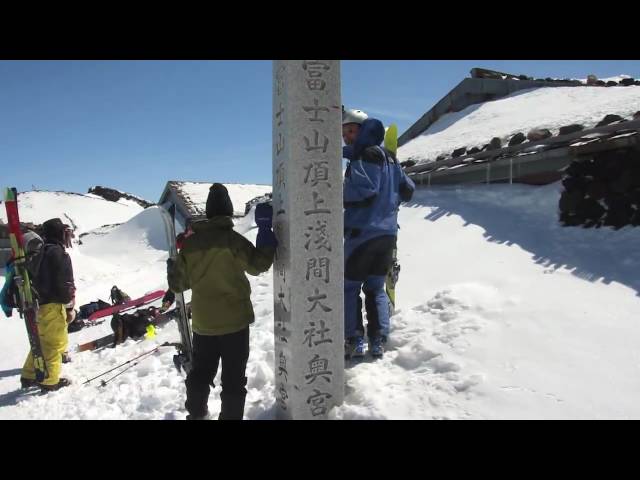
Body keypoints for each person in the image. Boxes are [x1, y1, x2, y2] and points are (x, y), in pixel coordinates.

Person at [167, 183, 276, 420]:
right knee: (234, 380)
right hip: (234, 324)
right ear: (227, 212)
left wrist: (172, 266)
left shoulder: (190, 245)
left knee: (200, 373)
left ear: (208, 213)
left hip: (204, 325)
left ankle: (196, 414)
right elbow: (259, 265)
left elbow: (178, 286)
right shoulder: (232, 241)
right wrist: (266, 231)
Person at [342, 108, 415, 359]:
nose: (346, 137)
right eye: (344, 132)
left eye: (351, 131)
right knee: (375, 287)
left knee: (349, 287)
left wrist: (336, 193)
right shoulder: (390, 158)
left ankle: (354, 338)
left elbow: (366, 189)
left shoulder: (365, 156)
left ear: (363, 131)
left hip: (362, 233)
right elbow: (408, 190)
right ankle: (378, 339)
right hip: (387, 235)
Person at [20, 218, 76, 392]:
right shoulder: (58, 253)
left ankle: (28, 375)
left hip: (38, 303)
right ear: (59, 233)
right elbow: (63, 282)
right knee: (54, 343)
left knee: (42, 341)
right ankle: (50, 381)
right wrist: (68, 305)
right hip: (52, 303)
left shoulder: (41, 251)